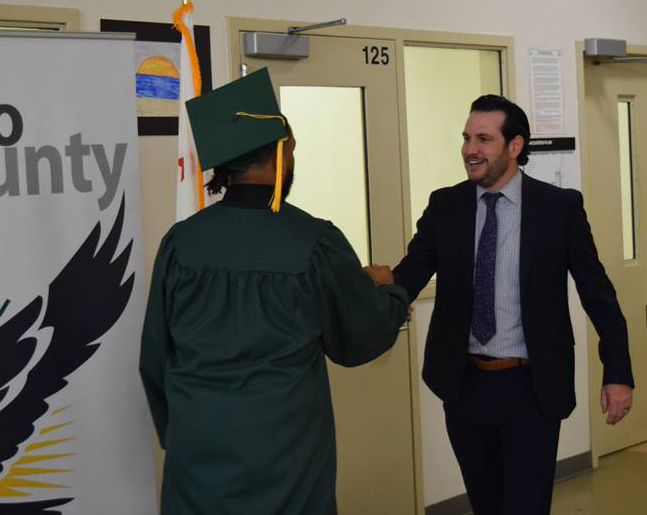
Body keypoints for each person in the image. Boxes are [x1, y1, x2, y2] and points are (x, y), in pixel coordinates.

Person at [139, 68, 410, 515]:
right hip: (287, 453)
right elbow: (357, 338)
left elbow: (154, 355)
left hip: (199, 454)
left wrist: (185, 433)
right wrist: (386, 291)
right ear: (278, 155)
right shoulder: (313, 241)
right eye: (292, 150)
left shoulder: (180, 243)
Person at [392, 94, 634, 515]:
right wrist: (378, 302)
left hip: (532, 388)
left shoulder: (558, 209)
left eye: (484, 139)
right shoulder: (445, 206)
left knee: (525, 506)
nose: (470, 149)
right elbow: (408, 276)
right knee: (485, 504)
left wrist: (618, 373)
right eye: (467, 137)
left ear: (515, 146)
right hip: (464, 384)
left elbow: (599, 294)